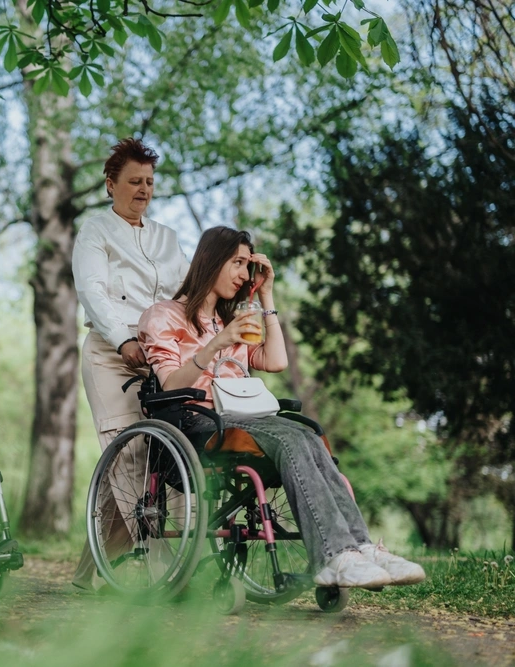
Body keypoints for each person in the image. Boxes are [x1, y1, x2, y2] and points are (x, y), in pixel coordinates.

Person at [137, 226, 426, 588]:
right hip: (195, 422)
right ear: (210, 260)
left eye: (248, 265)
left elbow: (276, 361)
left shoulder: (231, 320)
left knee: (307, 435)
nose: (244, 274)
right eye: (237, 263)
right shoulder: (163, 315)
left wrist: (266, 295)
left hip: (241, 417)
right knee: (290, 439)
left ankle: (361, 548)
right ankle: (335, 556)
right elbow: (170, 384)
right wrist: (216, 344)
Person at [70, 137, 190, 592]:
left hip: (161, 357)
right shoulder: (95, 231)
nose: (144, 190)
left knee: (161, 453)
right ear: (110, 184)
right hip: (112, 356)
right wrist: (122, 339)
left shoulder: (166, 238)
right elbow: (92, 290)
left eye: (150, 182)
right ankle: (161, 571)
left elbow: (187, 292)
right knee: (131, 452)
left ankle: (92, 570)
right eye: (135, 181)